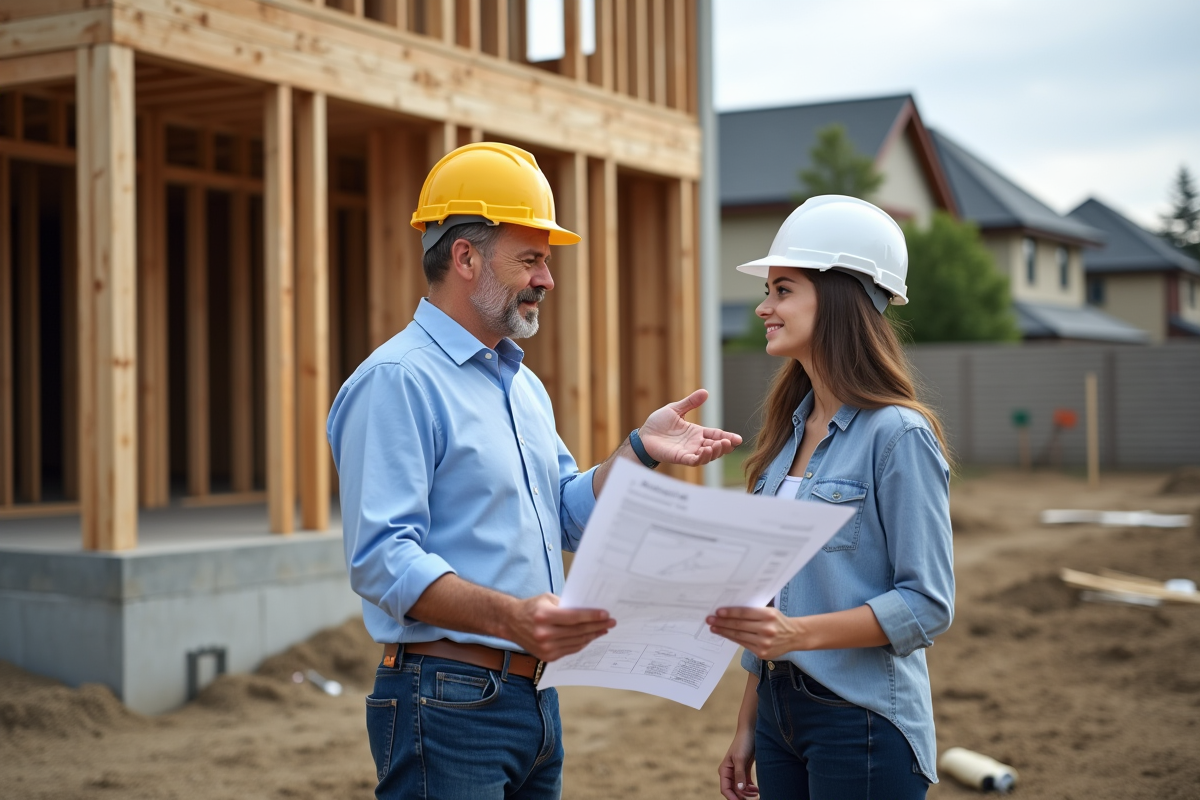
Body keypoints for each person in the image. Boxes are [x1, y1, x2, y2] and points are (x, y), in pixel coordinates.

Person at [326, 142, 742, 800]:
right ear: (465, 257)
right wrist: (511, 618)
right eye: (531, 259)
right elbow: (381, 560)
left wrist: (638, 451)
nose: (546, 279)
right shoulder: (397, 382)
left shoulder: (521, 386)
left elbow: (566, 517)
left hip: (535, 700)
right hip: (446, 700)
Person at [707, 195, 955, 800]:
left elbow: (927, 604)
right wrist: (749, 723)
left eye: (783, 289)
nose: (764, 307)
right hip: (778, 715)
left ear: (840, 298)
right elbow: (769, 601)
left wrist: (799, 635)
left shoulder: (898, 436)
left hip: (861, 719)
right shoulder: (784, 435)